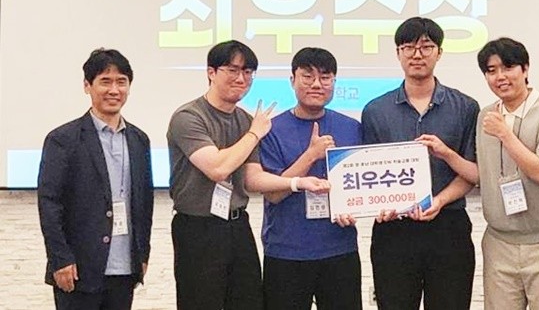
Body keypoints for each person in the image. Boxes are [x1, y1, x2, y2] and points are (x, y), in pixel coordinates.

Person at [167, 39, 330, 310]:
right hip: (197, 227)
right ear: (211, 72)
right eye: (232, 70)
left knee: (250, 301)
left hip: (237, 224)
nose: (241, 78)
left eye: (247, 72)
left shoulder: (244, 119)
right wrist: (255, 133)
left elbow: (252, 179)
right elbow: (218, 168)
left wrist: (298, 182)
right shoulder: (189, 116)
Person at [430, 37, 539, 309]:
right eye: (491, 70)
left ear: (525, 69)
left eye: (508, 67)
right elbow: (482, 176)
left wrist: (504, 134)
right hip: (499, 243)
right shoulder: (486, 115)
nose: (500, 77)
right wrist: (447, 154)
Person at [361, 16, 479, 310]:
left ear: (439, 53)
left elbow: (471, 171)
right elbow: (367, 173)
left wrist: (439, 200)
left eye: (426, 47)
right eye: (408, 47)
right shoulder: (375, 111)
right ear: (398, 53)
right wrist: (378, 203)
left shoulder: (465, 107)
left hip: (448, 224)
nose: (417, 54)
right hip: (394, 229)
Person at [37, 48, 154, 310]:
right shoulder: (63, 139)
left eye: (121, 82)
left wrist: (142, 254)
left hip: (125, 267)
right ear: (87, 86)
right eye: (105, 81)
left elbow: (144, 202)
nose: (114, 90)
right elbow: (49, 204)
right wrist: (60, 259)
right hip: (78, 268)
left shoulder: (139, 140)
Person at [260, 47, 362, 310]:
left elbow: (362, 185)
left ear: (334, 82)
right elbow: (273, 193)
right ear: (292, 80)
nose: (317, 84)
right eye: (307, 76)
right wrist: (311, 155)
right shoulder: (271, 130)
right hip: (286, 252)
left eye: (325, 77)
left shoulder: (352, 128)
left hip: (340, 248)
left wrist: (357, 208)